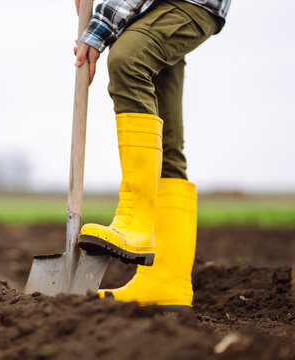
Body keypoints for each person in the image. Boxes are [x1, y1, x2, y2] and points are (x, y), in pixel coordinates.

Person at [74, 0, 231, 308]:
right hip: (157, 7)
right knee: (167, 142)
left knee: (127, 60)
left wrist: (100, 26)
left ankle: (135, 221)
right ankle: (165, 281)